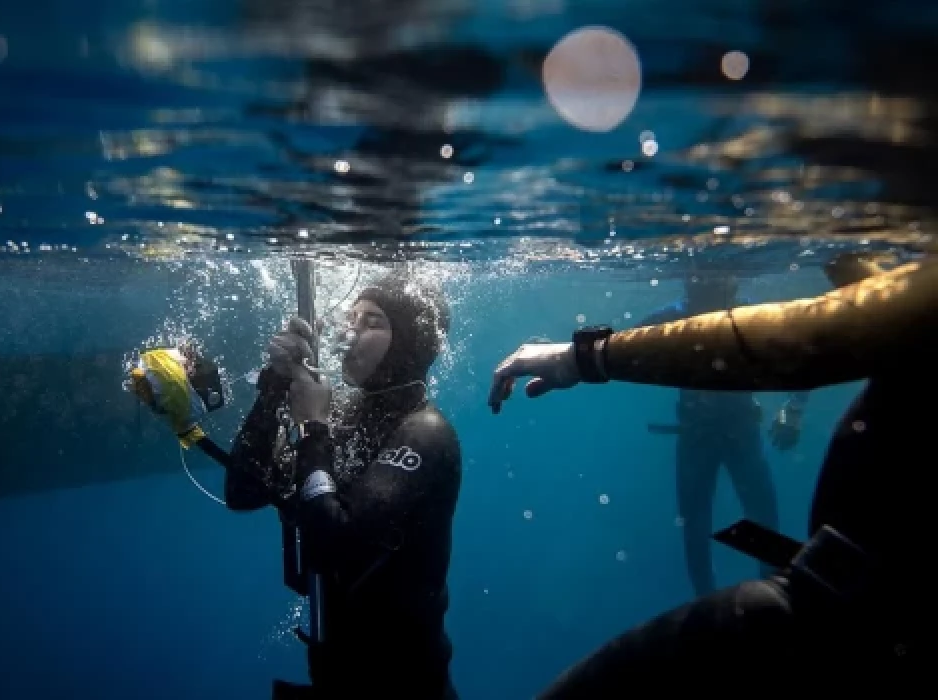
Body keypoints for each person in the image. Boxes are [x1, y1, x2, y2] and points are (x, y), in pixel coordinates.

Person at [486, 252, 929, 696]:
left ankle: (747, 591)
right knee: (699, 522)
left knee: (750, 515)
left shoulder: (741, 308)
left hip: (840, 594)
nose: (715, 286)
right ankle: (709, 592)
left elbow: (826, 331)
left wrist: (584, 358)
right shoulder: (677, 314)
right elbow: (864, 319)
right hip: (847, 595)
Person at [226, 271, 462, 700]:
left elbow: (336, 541)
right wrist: (275, 385)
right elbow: (243, 491)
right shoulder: (344, 415)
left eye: (372, 322)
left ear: (410, 343)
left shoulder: (425, 433)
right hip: (335, 679)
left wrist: (313, 428)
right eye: (351, 316)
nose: (350, 331)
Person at [633, 269, 808, 595]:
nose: (709, 291)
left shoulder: (726, 316)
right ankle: (721, 610)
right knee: (703, 530)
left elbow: (801, 353)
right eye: (703, 283)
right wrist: (793, 409)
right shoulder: (678, 316)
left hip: (723, 434)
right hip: (711, 436)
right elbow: (619, 345)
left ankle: (771, 605)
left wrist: (794, 409)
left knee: (748, 526)